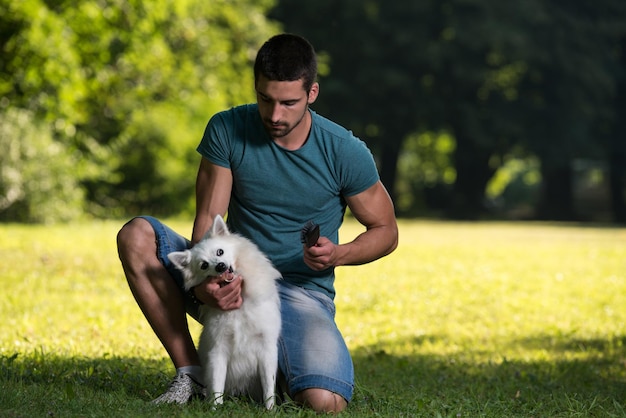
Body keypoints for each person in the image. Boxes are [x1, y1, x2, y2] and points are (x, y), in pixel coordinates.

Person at [116, 33, 398, 413]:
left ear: (312, 93)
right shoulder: (227, 129)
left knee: (325, 403)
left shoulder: (344, 151)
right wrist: (205, 286)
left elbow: (386, 231)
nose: (275, 115)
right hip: (231, 275)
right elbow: (207, 220)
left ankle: (267, 369)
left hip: (300, 292)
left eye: (288, 102)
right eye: (265, 99)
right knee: (137, 235)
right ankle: (192, 372)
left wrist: (339, 254)